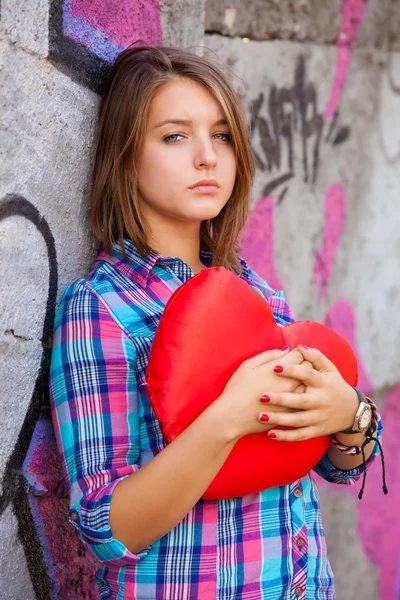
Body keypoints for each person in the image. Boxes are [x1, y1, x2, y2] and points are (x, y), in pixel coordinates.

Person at [50, 46, 384, 600]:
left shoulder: (256, 292)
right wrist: (228, 417)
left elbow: (334, 464)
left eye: (223, 135)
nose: (208, 157)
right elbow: (107, 527)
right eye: (175, 136)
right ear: (125, 155)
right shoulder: (102, 307)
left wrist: (350, 415)